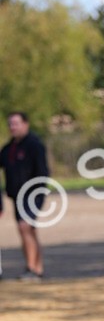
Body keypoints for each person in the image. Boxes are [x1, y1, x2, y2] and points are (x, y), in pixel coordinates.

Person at [0, 111, 49, 280]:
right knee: (28, 231)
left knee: (25, 227)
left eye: (16, 123)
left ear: (25, 124)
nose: (13, 127)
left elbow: (43, 171)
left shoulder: (34, 145)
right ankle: (37, 268)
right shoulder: (8, 149)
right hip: (16, 197)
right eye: (10, 124)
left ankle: (31, 269)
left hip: (33, 194)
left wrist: (39, 192)